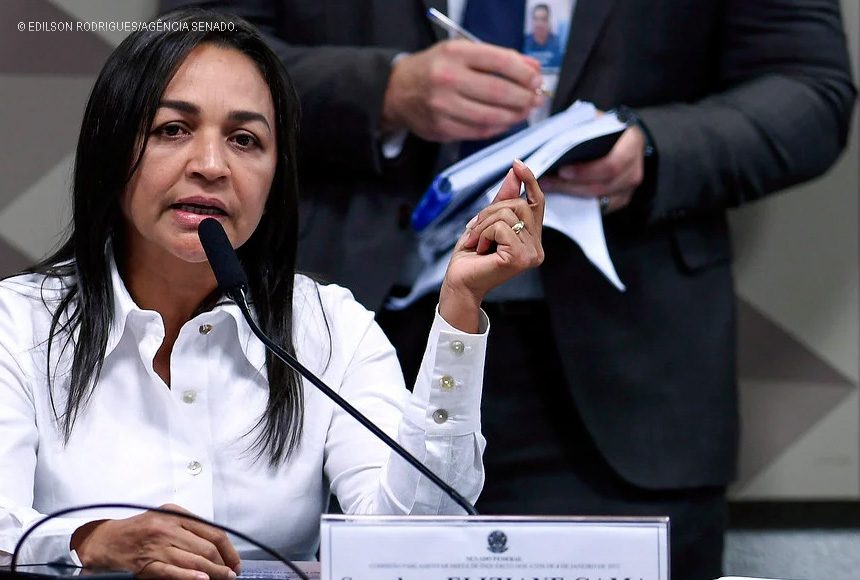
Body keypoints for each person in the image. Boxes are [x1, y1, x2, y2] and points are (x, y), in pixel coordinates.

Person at [163, 1, 856, 578]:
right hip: (348, 350)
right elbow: (191, 38)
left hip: (632, 378)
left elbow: (808, 86)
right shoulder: (333, 337)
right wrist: (382, 90)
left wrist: (654, 147)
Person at [0, 9, 547, 578]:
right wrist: (88, 543)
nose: (211, 166)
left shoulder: (330, 328)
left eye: (244, 140)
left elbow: (412, 546)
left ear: (275, 178)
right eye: (173, 130)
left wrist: (460, 307)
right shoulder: (17, 322)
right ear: (112, 151)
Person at [523, 3, 563, 69]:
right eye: (535, 19)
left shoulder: (559, 43)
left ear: (548, 22)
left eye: (543, 19)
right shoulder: (523, 43)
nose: (539, 24)